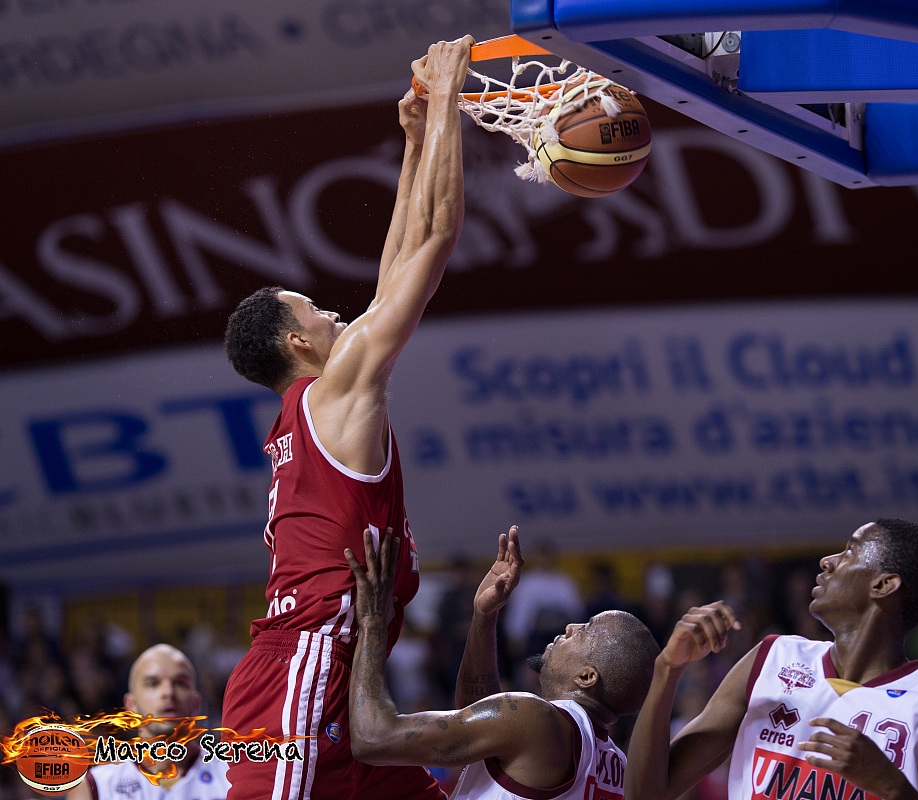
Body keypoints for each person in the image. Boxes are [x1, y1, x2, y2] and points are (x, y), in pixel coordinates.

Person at [220, 35, 474, 800]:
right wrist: (452, 96)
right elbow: (433, 242)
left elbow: (394, 269)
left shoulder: (314, 406)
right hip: (304, 673)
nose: (339, 312)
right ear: (298, 342)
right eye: (318, 309)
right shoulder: (331, 395)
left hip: (346, 674)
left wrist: (416, 137)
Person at [627, 518, 918, 800]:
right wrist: (667, 668)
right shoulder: (771, 659)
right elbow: (647, 793)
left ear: (883, 585)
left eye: (849, 551)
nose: (827, 561)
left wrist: (892, 788)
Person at [344, 525, 664, 800]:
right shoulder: (618, 767)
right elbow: (482, 726)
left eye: (586, 629)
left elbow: (373, 738)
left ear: (587, 676)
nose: (570, 627)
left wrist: (372, 621)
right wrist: (484, 618)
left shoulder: (537, 720)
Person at [68, 644, 230, 799]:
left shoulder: (230, 775)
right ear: (131, 704)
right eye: (153, 684)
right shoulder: (96, 786)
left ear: (196, 703)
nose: (168, 692)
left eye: (180, 683)